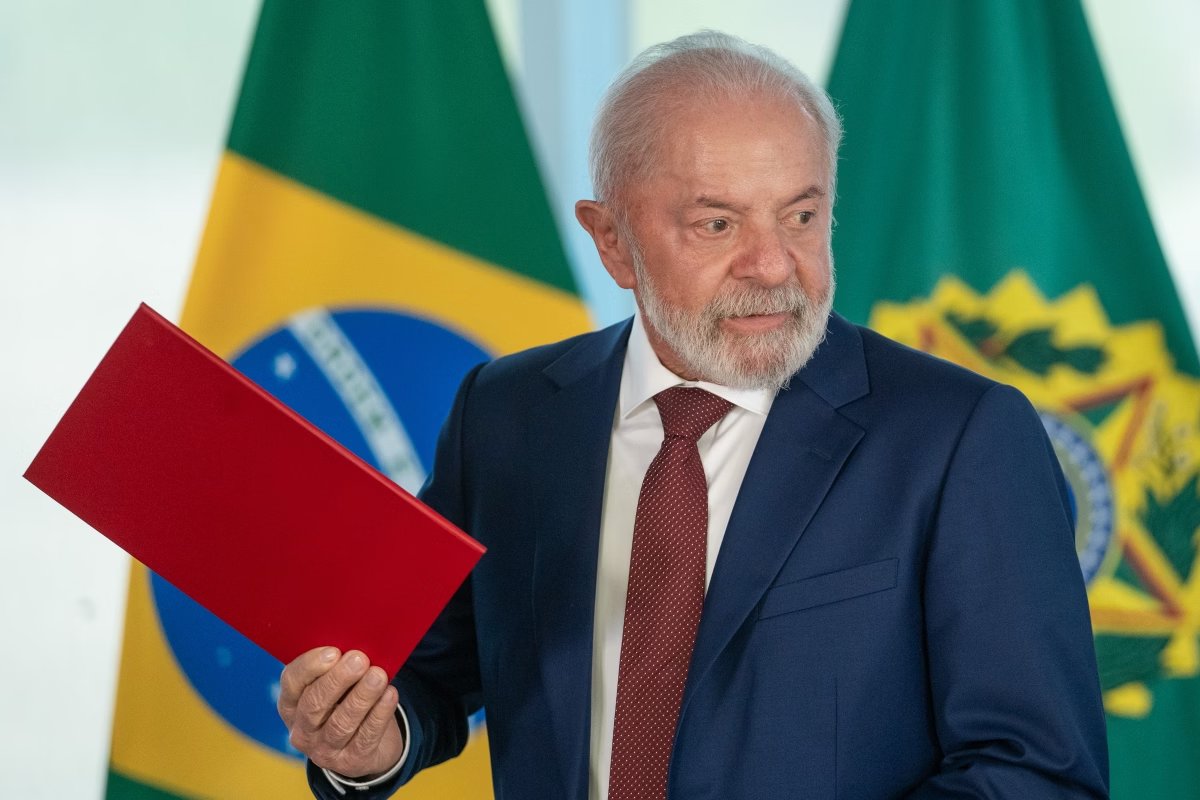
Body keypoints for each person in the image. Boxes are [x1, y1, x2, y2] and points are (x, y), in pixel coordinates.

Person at [278, 31, 1109, 799]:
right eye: (718, 224)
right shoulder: (508, 414)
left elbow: (1037, 771)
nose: (773, 265)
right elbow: (426, 672)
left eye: (801, 216)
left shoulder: (962, 437)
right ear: (613, 241)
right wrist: (371, 742)